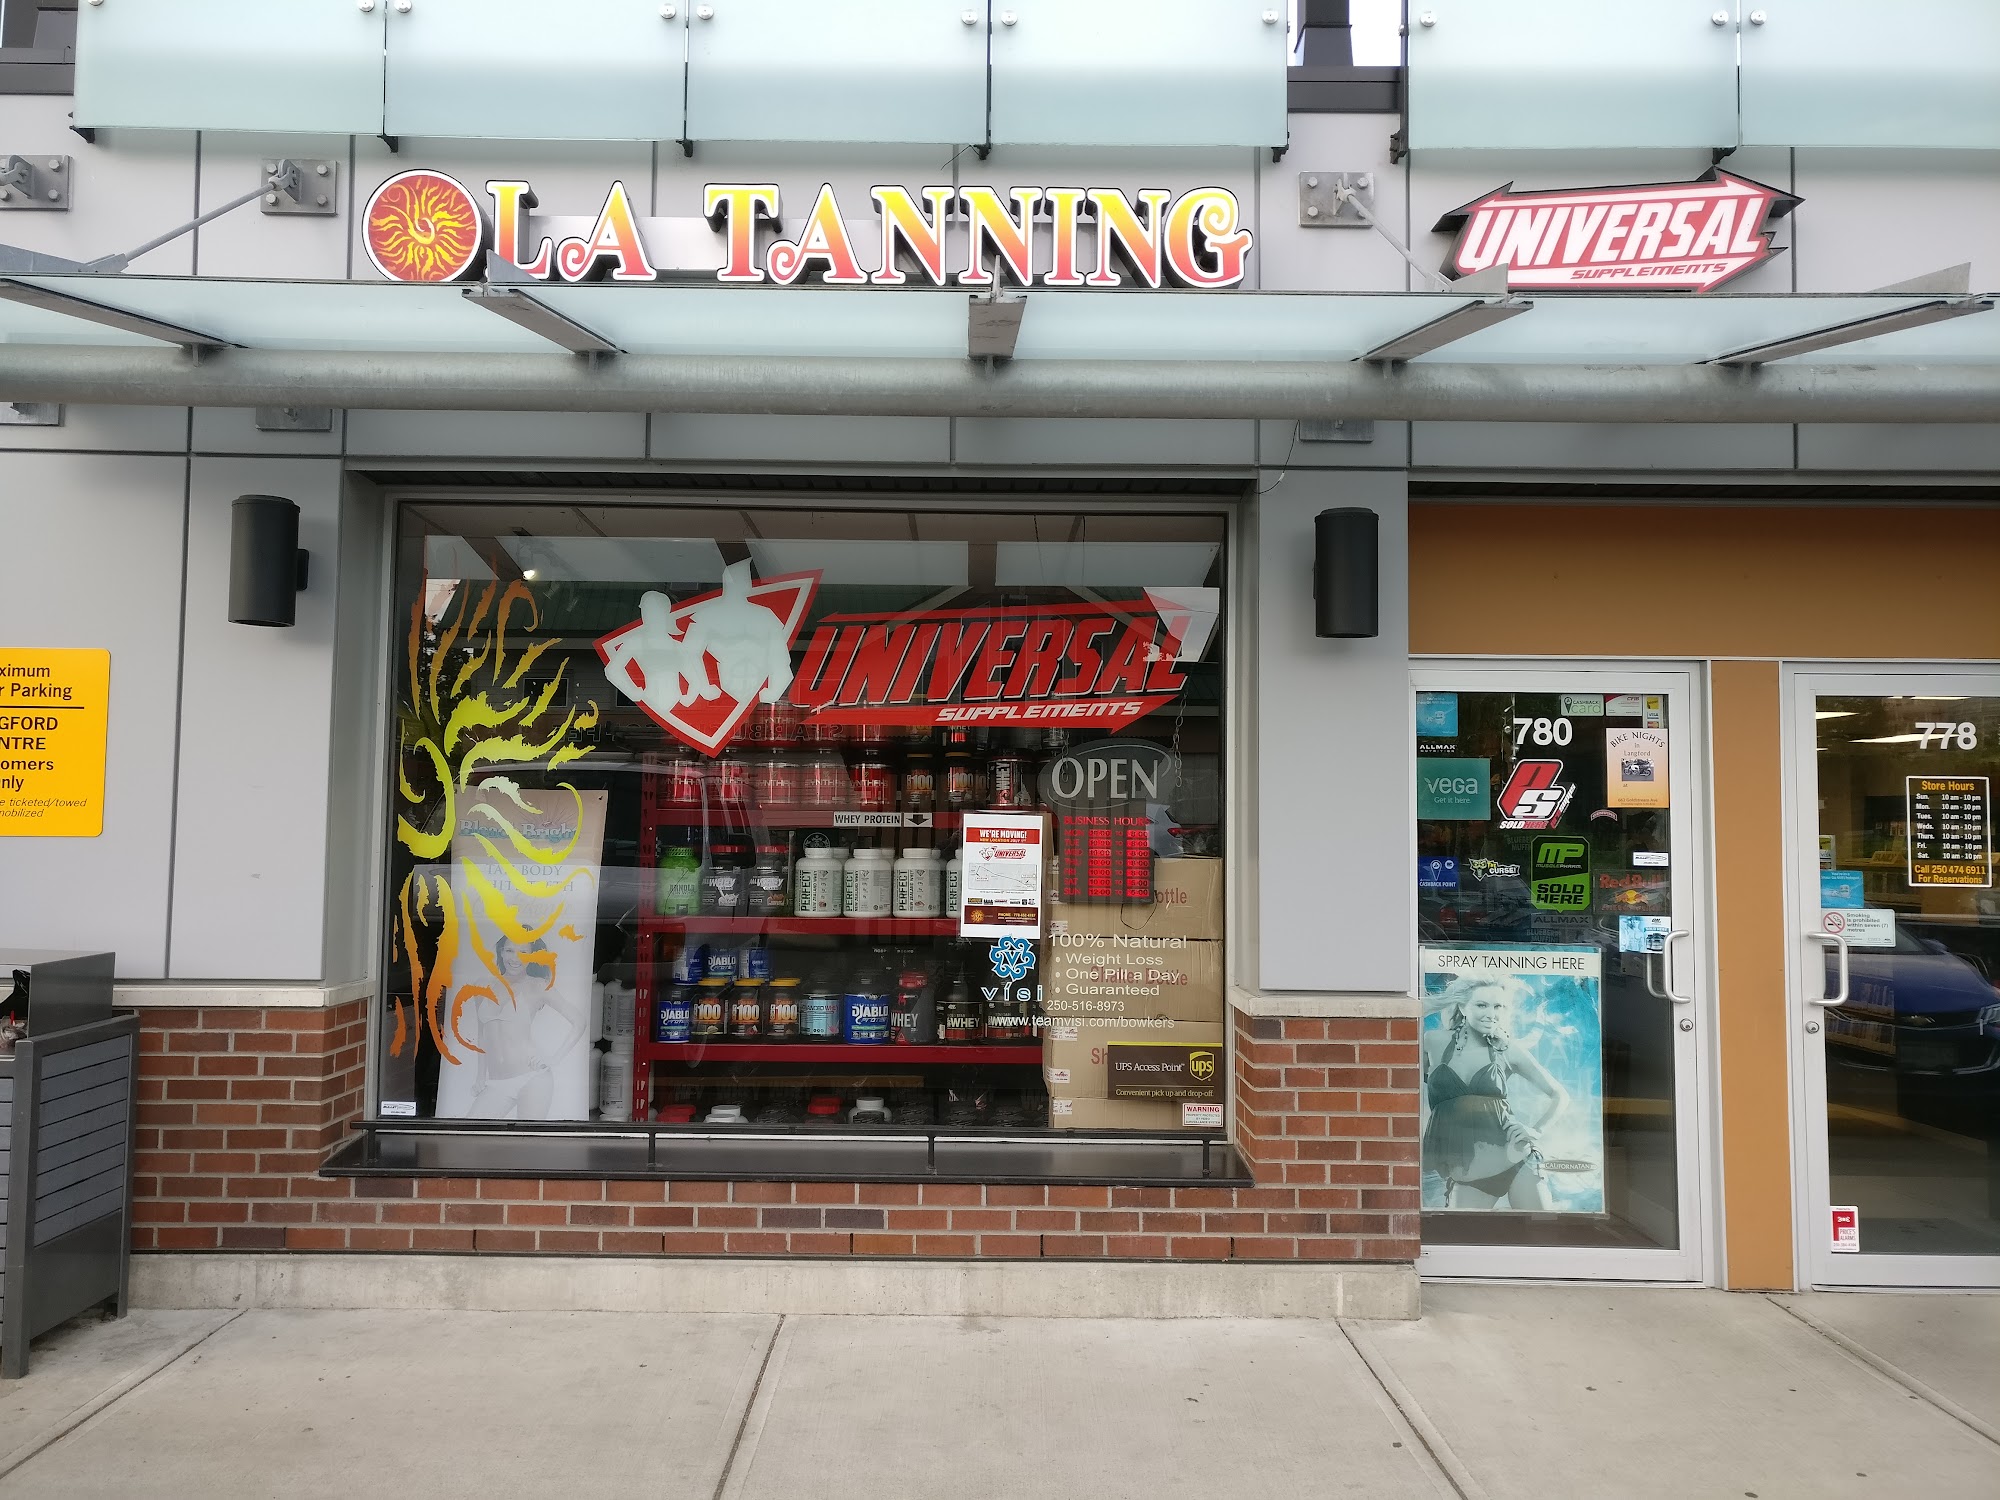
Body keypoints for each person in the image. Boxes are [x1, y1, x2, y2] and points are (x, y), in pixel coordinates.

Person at [1422, 974, 1570, 1210]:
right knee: (1462, 1234)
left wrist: (1536, 1131)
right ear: (1463, 1007)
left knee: (1541, 1232)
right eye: (1482, 1005)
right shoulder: (1434, 1042)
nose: (1491, 1013)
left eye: (1498, 1006)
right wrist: (1446, 999)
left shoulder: (1507, 1050)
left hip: (1518, 1161)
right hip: (1469, 1177)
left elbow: (1559, 1095)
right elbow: (1397, 1021)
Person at [462, 936, 589, 1121]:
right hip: (497, 1082)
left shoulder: (538, 986)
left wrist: (553, 1059)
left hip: (533, 1078)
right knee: (470, 1131)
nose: (515, 958)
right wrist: (480, 1077)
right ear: (501, 952)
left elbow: (579, 1021)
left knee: (528, 1137)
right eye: (509, 950)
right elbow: (482, 1034)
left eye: (523, 952)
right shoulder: (482, 985)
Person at [677, 559, 794, 706]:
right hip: (723, 693)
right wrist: (703, 687)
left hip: (756, 689)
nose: (745, 583)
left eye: (745, 578)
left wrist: (774, 690)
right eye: (741, 578)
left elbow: (780, 659)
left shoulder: (765, 616)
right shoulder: (707, 615)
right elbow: (688, 653)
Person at [601, 589, 703, 716]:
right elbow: (612, 670)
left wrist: (688, 699)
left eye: (654, 612)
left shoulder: (677, 647)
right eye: (647, 611)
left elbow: (695, 680)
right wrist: (632, 691)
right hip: (651, 703)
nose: (650, 616)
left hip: (676, 708)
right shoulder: (636, 642)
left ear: (665, 613)